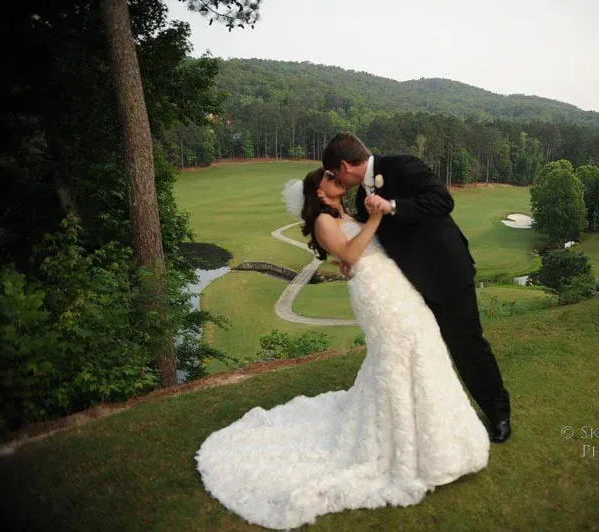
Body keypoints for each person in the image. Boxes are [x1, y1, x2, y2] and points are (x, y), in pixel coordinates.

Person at [195, 167, 490, 530]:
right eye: (332, 181)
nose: (340, 184)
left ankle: (439, 435)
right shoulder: (321, 220)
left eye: (339, 179)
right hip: (374, 291)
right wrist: (376, 218)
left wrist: (375, 221)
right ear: (318, 192)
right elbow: (350, 250)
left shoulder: (341, 211)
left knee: (423, 339)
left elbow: (360, 247)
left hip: (393, 281)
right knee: (399, 350)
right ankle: (406, 445)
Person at [322, 131, 512, 443]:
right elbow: (378, 237)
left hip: (447, 273)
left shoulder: (402, 165)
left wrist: (393, 205)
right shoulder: (360, 197)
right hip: (409, 286)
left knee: (467, 345)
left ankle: (499, 413)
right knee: (424, 348)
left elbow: (443, 201)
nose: (335, 180)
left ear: (344, 165)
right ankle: (437, 417)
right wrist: (352, 259)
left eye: (333, 173)